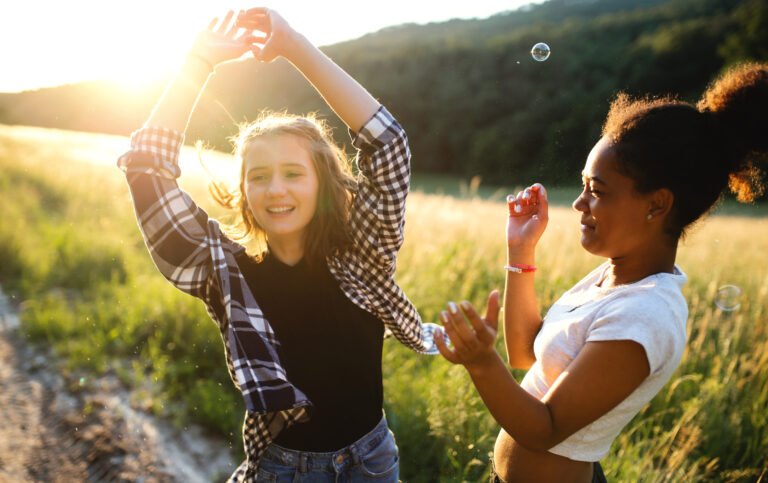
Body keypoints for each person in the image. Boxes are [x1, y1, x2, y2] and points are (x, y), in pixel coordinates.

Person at [118, 8, 431, 482]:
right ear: (244, 191)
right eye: (258, 177)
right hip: (283, 469)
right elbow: (146, 168)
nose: (276, 190)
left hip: (372, 460)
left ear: (322, 182)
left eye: (293, 173)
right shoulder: (223, 271)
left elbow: (388, 145)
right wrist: (197, 62)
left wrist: (294, 46)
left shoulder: (363, 253)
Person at [435, 62, 768, 482]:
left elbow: (545, 429)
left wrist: (481, 362)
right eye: (583, 186)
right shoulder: (612, 278)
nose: (579, 204)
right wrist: (520, 248)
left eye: (598, 191)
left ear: (657, 205)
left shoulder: (645, 315)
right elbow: (525, 355)